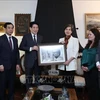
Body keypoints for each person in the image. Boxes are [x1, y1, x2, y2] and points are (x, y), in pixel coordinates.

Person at [19, 21, 43, 90]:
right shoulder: (26, 37)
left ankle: (38, 93)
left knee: (37, 79)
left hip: (38, 62)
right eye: (34, 27)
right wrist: (31, 48)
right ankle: (28, 95)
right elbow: (21, 47)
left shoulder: (40, 37)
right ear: (30, 28)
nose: (36, 29)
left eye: (37, 27)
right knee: (28, 79)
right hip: (29, 61)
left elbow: (42, 48)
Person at [0, 22, 20, 100]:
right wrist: (0, 64)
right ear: (5, 29)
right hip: (3, 66)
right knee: (2, 85)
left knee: (12, 84)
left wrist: (18, 63)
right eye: (9, 28)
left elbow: (17, 53)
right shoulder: (1, 39)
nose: (11, 29)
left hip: (13, 66)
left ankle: (11, 98)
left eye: (12, 28)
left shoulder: (15, 40)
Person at [81, 28, 100, 100]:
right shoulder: (88, 44)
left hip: (93, 69)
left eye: (90, 34)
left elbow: (97, 59)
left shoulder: (98, 45)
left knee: (94, 89)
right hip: (85, 69)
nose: (88, 35)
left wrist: (89, 68)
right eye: (88, 34)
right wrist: (82, 65)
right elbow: (83, 56)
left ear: (95, 35)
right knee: (89, 88)